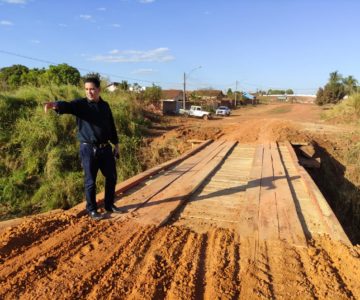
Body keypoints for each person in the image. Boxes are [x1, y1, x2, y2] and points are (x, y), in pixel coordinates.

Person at [44, 76, 123, 220]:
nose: (89, 92)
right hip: (88, 150)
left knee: (111, 177)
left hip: (105, 149)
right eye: (86, 89)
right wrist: (55, 104)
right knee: (90, 181)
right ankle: (92, 209)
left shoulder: (105, 106)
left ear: (98, 89)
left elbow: (111, 126)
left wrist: (116, 144)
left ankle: (109, 204)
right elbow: (67, 106)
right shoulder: (80, 105)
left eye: (92, 89)